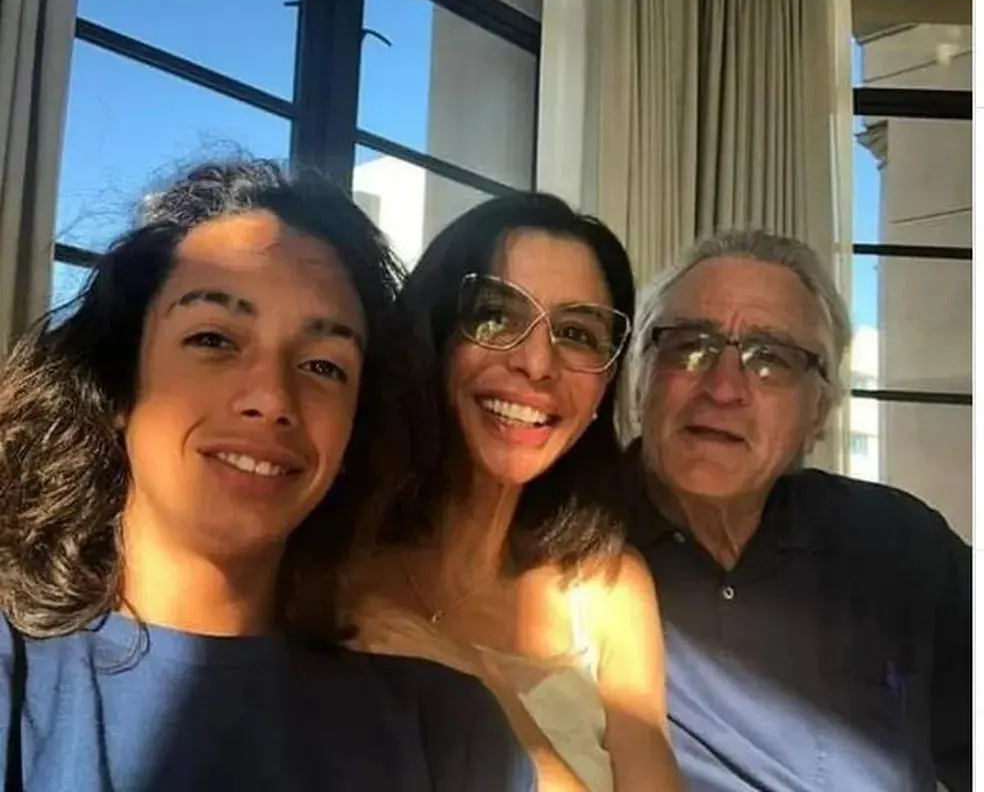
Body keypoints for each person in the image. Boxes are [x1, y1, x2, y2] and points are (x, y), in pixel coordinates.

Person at [0, 159, 535, 792]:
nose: (272, 398)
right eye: (213, 339)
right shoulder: (19, 686)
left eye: (324, 366)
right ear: (115, 383)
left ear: (354, 431)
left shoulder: (449, 731)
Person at [338, 194, 682, 792]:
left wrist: (483, 691)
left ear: (604, 386)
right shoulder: (327, 564)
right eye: (496, 316)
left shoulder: (607, 589)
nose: (538, 363)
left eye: (576, 333)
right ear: (433, 335)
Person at [620, 229, 971, 792]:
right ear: (639, 378)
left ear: (819, 414)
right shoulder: (564, 545)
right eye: (689, 344)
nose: (723, 388)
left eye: (771, 359)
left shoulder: (901, 544)